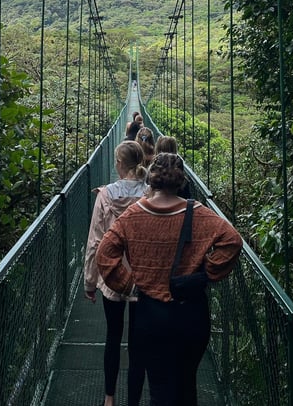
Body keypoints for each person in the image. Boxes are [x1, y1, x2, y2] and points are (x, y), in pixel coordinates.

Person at [96, 152, 242, 406]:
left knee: (159, 389)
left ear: (151, 180)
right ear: (181, 181)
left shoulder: (132, 216)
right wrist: (207, 272)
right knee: (187, 387)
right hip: (191, 313)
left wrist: (129, 284)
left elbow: (105, 254)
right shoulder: (199, 214)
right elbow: (232, 241)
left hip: (149, 314)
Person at [84, 141, 147, 406]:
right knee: (138, 344)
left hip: (112, 276)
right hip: (142, 278)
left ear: (119, 164)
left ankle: (109, 400)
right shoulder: (152, 194)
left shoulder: (106, 195)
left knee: (112, 335)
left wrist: (90, 281)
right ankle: (133, 401)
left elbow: (95, 241)